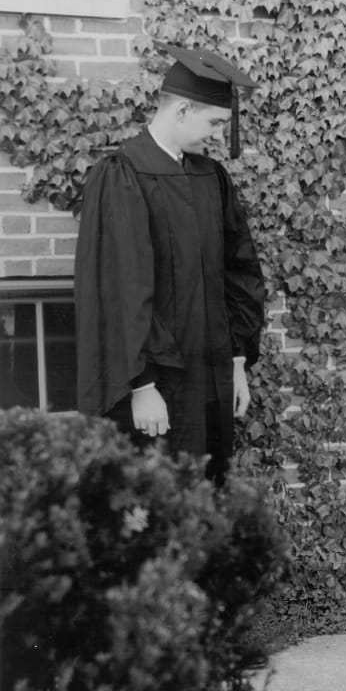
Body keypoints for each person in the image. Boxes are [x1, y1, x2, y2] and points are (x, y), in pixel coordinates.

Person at [74, 42, 266, 485]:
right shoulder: (122, 176)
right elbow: (119, 289)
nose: (217, 134)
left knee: (205, 501)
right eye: (214, 122)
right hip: (157, 391)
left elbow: (240, 273)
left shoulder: (210, 177)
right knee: (159, 510)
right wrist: (140, 386)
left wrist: (237, 362)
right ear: (181, 110)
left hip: (211, 378)